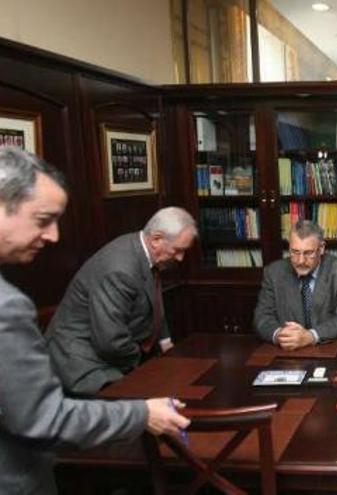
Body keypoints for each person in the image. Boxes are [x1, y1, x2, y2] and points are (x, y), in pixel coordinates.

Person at [0, 146, 189, 494]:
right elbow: (44, 418)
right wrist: (142, 413)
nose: (54, 236)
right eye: (43, 219)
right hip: (80, 369)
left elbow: (154, 307)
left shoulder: (143, 258)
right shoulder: (7, 307)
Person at [46, 206, 198, 395]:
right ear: (156, 239)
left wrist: (166, 344)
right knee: (145, 407)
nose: (180, 258)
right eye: (178, 250)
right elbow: (110, 341)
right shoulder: (120, 270)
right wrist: (147, 364)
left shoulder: (145, 252)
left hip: (114, 353)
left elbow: (153, 303)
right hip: (83, 363)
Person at [253, 219, 337, 349]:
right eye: (295, 252)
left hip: (334, 346)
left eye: (308, 253)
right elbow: (262, 317)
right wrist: (280, 335)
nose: (301, 261)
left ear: (321, 248)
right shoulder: (274, 273)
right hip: (289, 350)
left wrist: (310, 336)